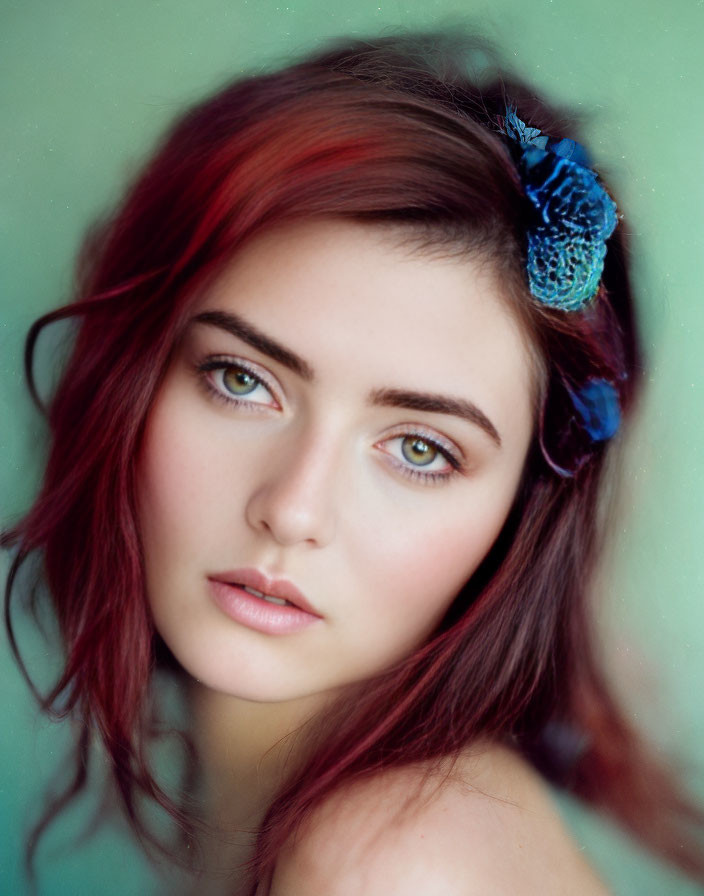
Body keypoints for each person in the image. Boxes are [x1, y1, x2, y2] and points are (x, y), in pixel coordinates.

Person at [3, 29, 703, 895]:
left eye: (420, 449)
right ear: (133, 373)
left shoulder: (393, 859)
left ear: (521, 510)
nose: (292, 511)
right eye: (240, 380)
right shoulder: (321, 822)